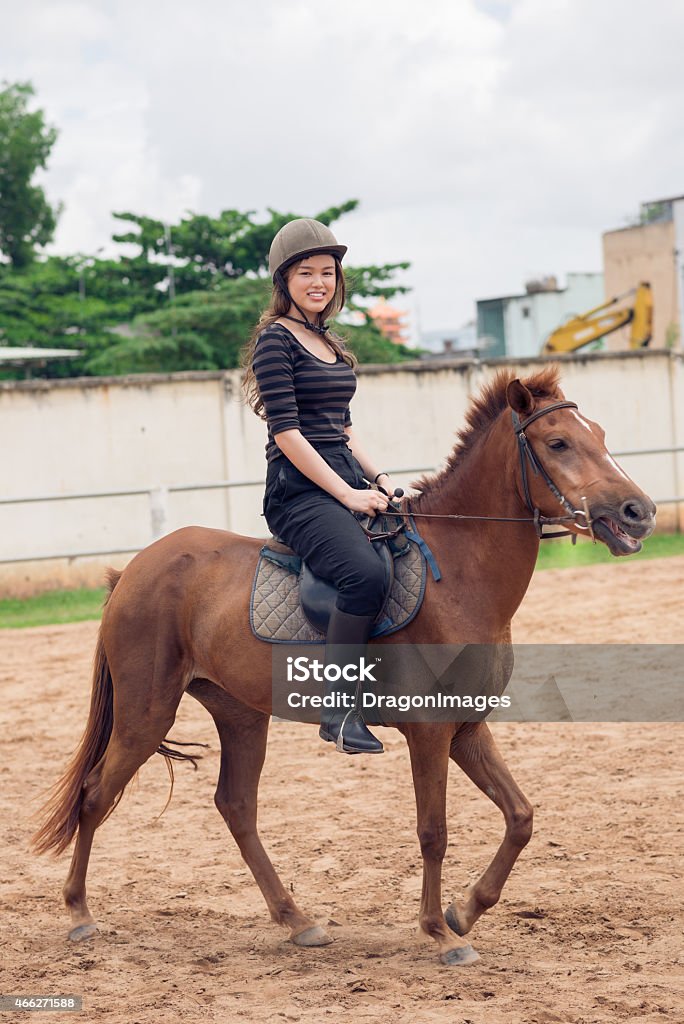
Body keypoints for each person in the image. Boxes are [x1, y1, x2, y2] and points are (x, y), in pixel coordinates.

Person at [242, 218, 399, 754]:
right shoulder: (274, 341)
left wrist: (379, 479)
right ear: (283, 279)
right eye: (306, 272)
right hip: (299, 491)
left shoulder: (328, 341)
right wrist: (349, 495)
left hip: (344, 476)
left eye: (327, 273)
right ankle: (339, 709)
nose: (319, 282)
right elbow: (287, 434)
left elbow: (344, 431)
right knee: (362, 573)